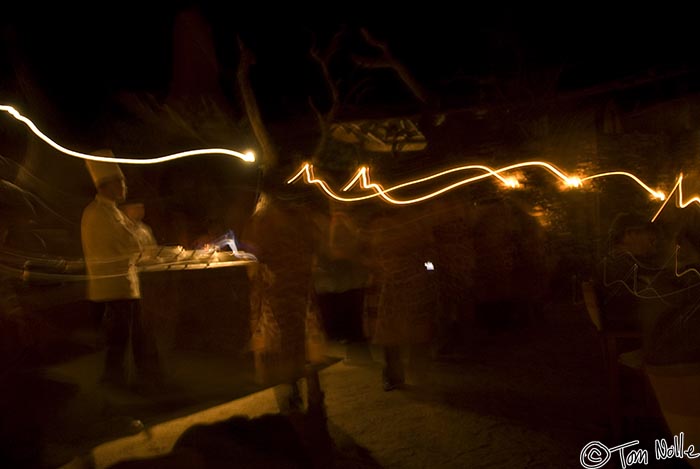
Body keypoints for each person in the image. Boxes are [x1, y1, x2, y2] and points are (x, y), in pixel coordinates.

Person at [241, 167, 327, 415]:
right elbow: (315, 243)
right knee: (301, 334)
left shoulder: (262, 218)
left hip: (278, 285)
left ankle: (293, 389)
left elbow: (252, 254)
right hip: (299, 282)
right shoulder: (302, 214)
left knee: (287, 338)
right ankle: (311, 388)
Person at [81, 150, 162, 393]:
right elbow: (133, 245)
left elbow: (142, 243)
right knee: (121, 338)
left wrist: (138, 229)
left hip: (124, 285)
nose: (124, 186)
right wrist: (139, 234)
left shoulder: (113, 212)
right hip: (114, 287)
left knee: (129, 336)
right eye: (121, 182)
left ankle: (132, 379)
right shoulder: (97, 214)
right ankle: (116, 383)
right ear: (106, 185)